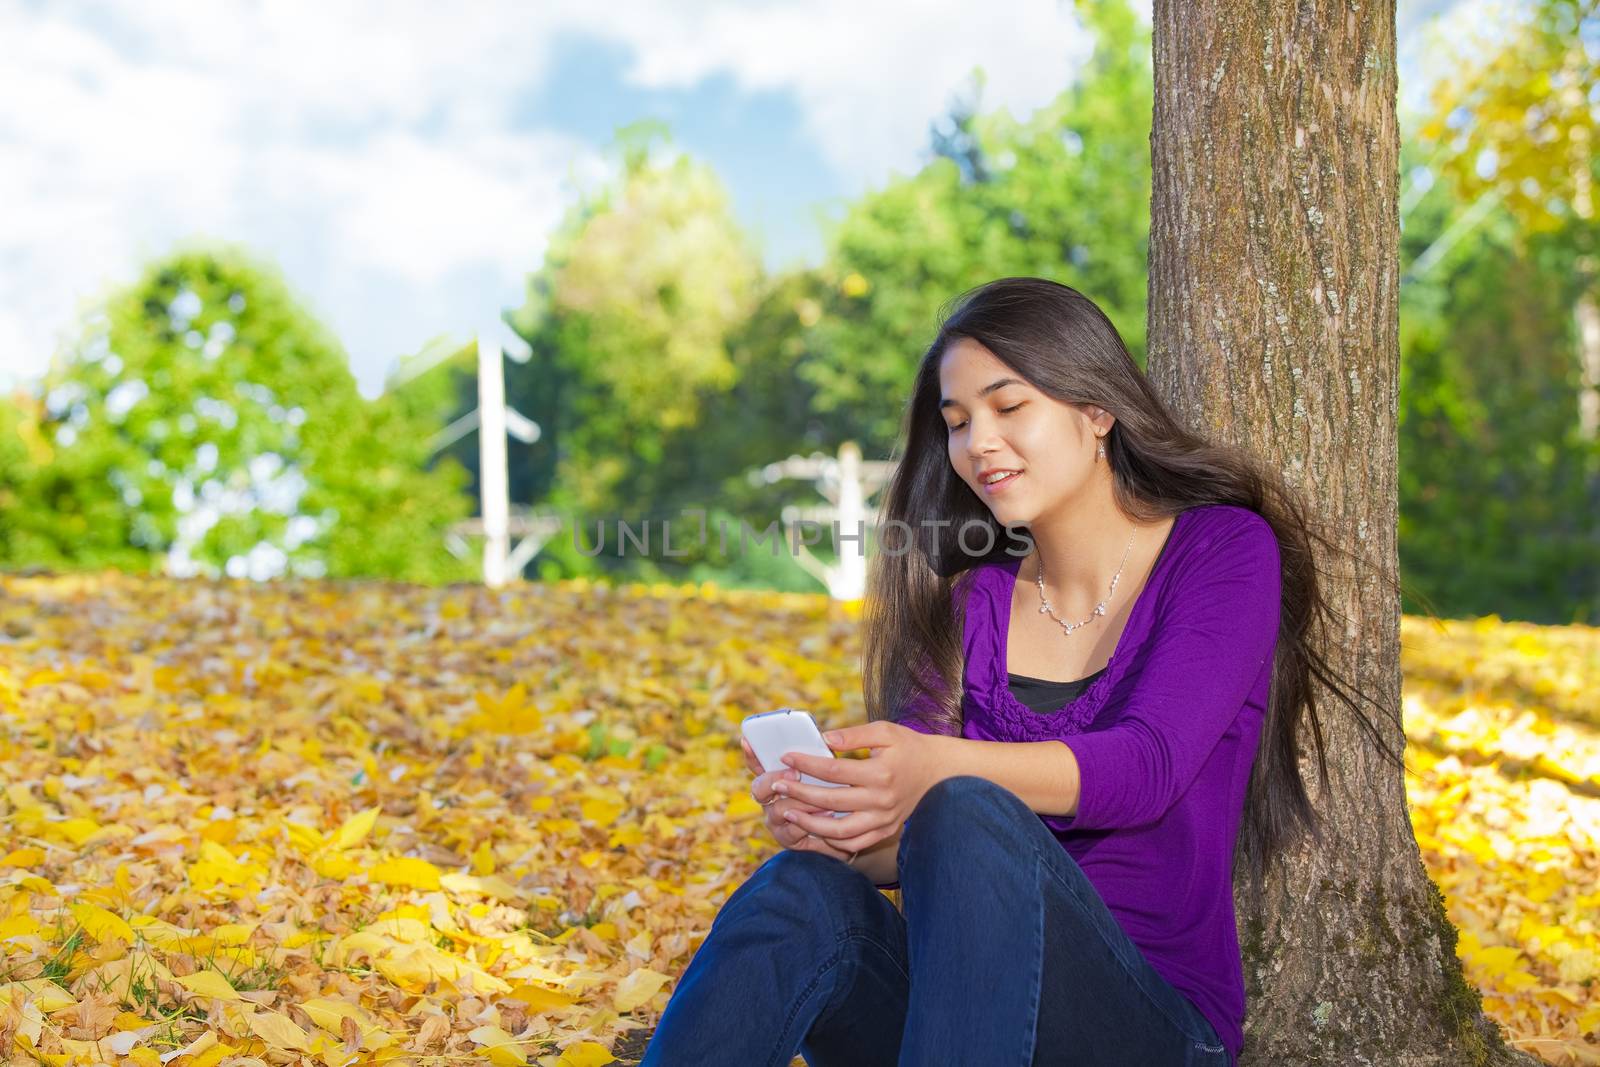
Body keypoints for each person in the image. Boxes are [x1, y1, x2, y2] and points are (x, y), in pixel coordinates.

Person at [640, 277, 1400, 1067]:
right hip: (963, 1017)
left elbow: (1149, 764)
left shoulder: (1220, 551)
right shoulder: (966, 600)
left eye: (1009, 407)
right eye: (959, 423)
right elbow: (915, 849)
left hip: (1150, 1027)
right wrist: (841, 833)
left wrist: (940, 771)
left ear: (1096, 409)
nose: (979, 445)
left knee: (967, 805)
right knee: (800, 889)